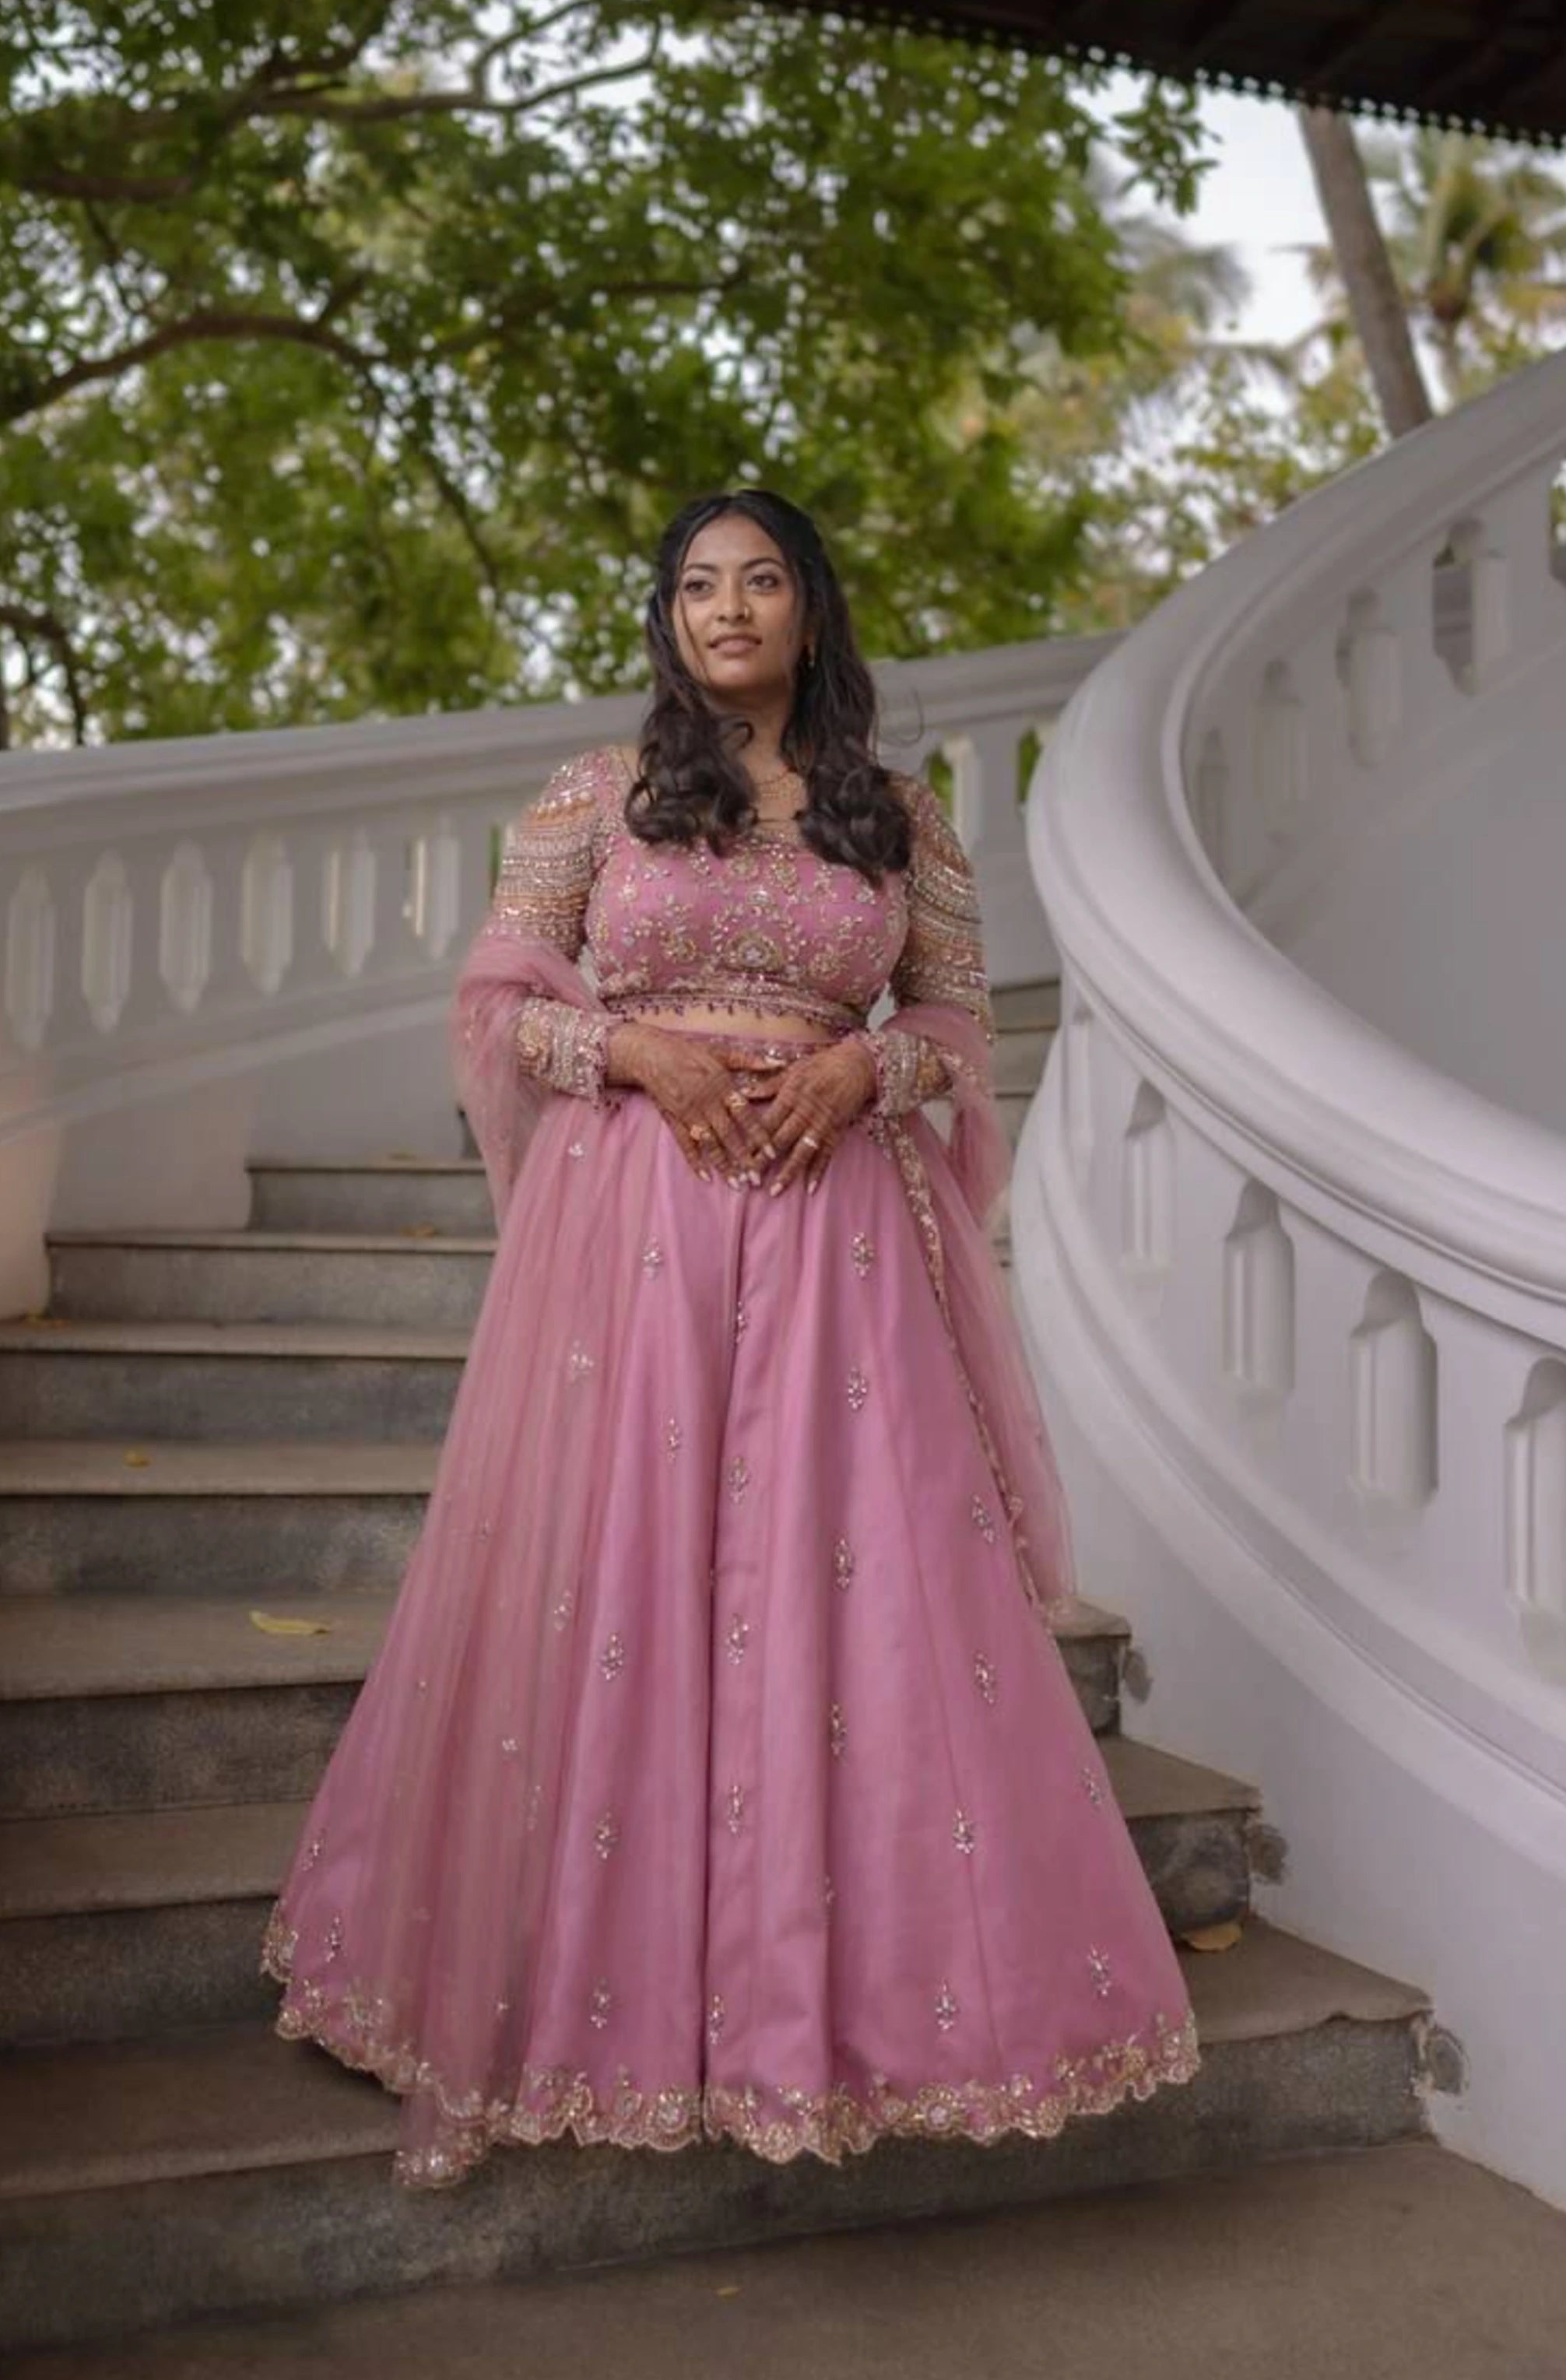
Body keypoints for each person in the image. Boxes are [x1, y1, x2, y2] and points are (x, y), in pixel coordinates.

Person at [263, 488, 1200, 2188]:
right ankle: (540, 2018)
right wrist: (631, 1057)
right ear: (665, 617)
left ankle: (822, 2030)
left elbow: (952, 1023)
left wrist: (864, 1069)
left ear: (810, 609)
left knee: (833, 1602)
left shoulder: (897, 820)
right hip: (632, 1236)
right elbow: (494, 1001)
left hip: (836, 1240)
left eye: (760, 579)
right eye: (697, 583)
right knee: (613, 1587)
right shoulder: (592, 803)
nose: (727, 607)